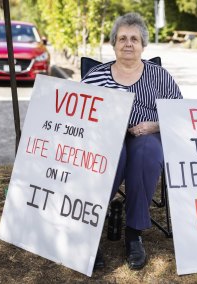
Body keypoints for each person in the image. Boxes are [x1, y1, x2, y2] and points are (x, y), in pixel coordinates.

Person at [82, 12, 182, 270]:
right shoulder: (95, 76)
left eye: (134, 39)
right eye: (122, 38)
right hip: (106, 139)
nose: (128, 43)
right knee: (113, 154)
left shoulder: (159, 76)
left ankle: (134, 233)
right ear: (114, 43)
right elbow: (79, 116)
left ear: (143, 45)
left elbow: (180, 114)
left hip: (146, 135)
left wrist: (155, 125)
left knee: (147, 151)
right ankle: (85, 234)